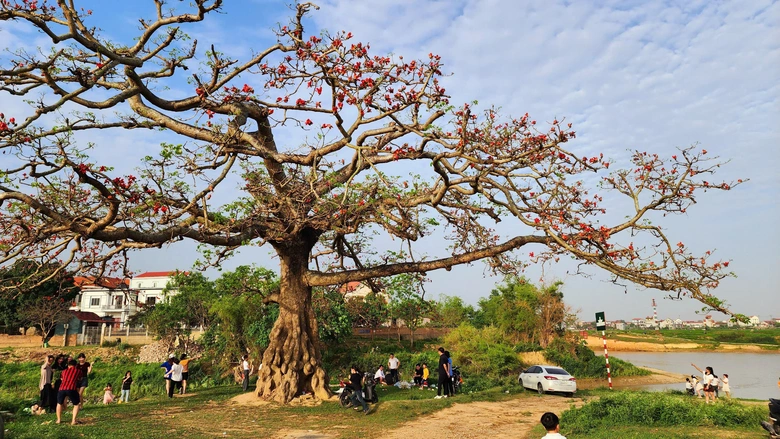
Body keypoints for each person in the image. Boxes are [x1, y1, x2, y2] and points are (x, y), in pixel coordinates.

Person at [56, 359, 83, 425]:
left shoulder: (64, 371)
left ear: (68, 365)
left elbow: (62, 379)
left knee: (59, 403)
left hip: (62, 388)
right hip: (71, 388)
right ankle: (73, 420)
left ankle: (59, 420)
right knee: (76, 404)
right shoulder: (78, 371)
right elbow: (80, 379)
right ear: (75, 365)